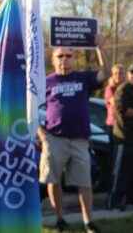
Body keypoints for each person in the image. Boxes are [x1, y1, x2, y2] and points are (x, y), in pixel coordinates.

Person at [38, 44, 107, 233]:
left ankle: (88, 222)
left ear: (74, 58)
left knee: (84, 182)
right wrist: (41, 134)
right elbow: (29, 108)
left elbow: (105, 74)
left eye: (68, 55)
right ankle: (59, 219)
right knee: (53, 180)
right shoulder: (46, 82)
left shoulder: (83, 78)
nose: (64, 59)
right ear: (53, 60)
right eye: (60, 56)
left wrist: (101, 48)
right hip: (54, 139)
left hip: (79, 139)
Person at [107, 61, 133, 210]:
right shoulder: (123, 89)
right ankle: (114, 201)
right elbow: (122, 110)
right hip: (124, 136)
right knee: (119, 172)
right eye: (132, 73)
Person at [104, 64, 125, 133]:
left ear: (124, 75)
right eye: (115, 73)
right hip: (113, 124)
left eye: (120, 73)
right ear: (112, 75)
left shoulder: (127, 87)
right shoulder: (109, 88)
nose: (118, 75)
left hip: (125, 124)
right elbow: (115, 102)